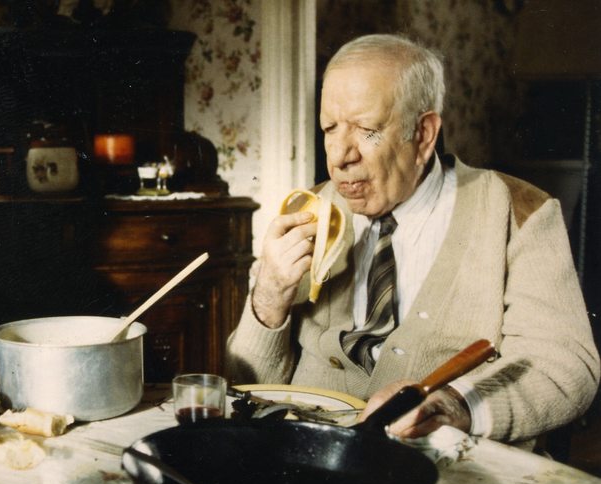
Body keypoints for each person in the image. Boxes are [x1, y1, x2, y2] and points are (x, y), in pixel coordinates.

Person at [227, 33, 599, 445]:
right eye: (329, 129)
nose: (339, 156)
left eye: (367, 130)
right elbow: (248, 385)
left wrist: (459, 404)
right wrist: (269, 297)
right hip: (313, 454)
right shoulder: (310, 210)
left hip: (446, 462)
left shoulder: (518, 210)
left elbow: (566, 365)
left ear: (423, 135)